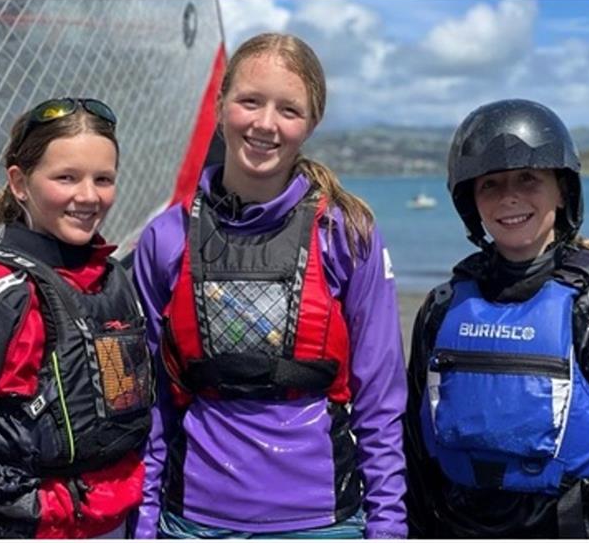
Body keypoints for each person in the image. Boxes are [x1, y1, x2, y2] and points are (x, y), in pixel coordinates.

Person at [131, 32, 407, 539]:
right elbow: (152, 405)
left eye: (289, 110)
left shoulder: (346, 235)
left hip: (324, 523)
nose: (264, 124)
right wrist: (144, 525)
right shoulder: (165, 239)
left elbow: (381, 401)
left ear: (312, 123)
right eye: (250, 102)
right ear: (220, 105)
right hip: (193, 522)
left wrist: (388, 526)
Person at [404, 98, 589, 538]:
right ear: (471, 202)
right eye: (490, 185)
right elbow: (415, 461)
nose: (509, 197)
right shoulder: (442, 310)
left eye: (528, 179)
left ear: (562, 189)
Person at [0, 98, 153, 538]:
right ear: (19, 183)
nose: (89, 196)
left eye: (103, 179)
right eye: (66, 178)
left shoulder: (114, 282)